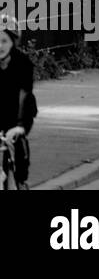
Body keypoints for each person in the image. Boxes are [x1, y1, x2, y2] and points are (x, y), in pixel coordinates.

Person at [0, 14, 36, 189]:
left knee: (17, 149)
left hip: (17, 115)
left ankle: (20, 182)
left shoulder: (22, 63)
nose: (0, 46)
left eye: (4, 41)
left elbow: (25, 96)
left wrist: (20, 126)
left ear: (14, 42)